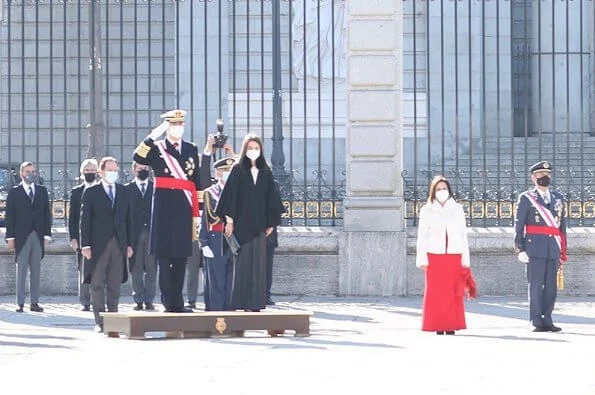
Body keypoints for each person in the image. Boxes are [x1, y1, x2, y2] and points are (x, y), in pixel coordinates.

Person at [133, 109, 211, 313]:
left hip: (184, 207)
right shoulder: (157, 148)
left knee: (180, 258)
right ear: (167, 127)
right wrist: (153, 135)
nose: (178, 128)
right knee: (164, 257)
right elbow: (137, 156)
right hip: (164, 207)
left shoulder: (191, 149)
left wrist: (200, 211)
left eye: (180, 124)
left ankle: (178, 302)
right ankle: (168, 302)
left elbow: (196, 182)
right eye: (173, 124)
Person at [215, 133, 283, 312]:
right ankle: (240, 302)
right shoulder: (238, 170)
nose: (253, 151)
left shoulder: (266, 171)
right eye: (250, 148)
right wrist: (229, 221)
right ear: (245, 149)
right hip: (241, 224)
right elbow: (230, 197)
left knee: (259, 264)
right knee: (243, 264)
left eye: (256, 148)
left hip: (260, 225)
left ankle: (256, 303)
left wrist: (271, 224)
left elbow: (272, 199)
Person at [80, 156, 133, 331]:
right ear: (101, 172)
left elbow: (128, 220)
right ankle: (100, 321)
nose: (113, 173)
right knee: (97, 284)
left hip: (118, 244)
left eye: (115, 170)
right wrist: (85, 245)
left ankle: (113, 319)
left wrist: (129, 244)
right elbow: (85, 221)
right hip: (98, 246)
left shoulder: (124, 191)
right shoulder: (91, 192)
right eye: (109, 170)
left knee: (114, 283)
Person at [416, 175, 474, 335]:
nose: (442, 191)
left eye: (444, 188)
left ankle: (451, 325)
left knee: (453, 292)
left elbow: (463, 234)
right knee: (436, 293)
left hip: (454, 255)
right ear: (433, 191)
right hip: (434, 255)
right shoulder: (427, 209)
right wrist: (422, 258)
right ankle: (437, 325)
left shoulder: (457, 208)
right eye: (439, 189)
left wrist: (465, 260)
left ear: (449, 190)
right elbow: (422, 235)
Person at [514, 160, 567, 332]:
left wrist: (562, 250)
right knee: (535, 285)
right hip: (534, 249)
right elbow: (519, 225)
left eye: (547, 175)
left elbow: (562, 227)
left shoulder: (558, 198)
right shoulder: (527, 198)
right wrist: (520, 248)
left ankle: (548, 319)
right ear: (533, 178)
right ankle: (536, 320)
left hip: (553, 248)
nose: (545, 178)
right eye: (541, 175)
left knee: (551, 286)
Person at [5, 161, 52, 313]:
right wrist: (10, 237)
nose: (30, 174)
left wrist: (47, 235)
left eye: (32, 171)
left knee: (36, 271)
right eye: (27, 172)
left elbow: (47, 215)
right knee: (21, 270)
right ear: (21, 174)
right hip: (21, 236)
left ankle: (34, 302)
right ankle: (20, 303)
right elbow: (10, 216)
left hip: (38, 235)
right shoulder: (14, 192)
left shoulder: (42, 191)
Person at [199, 157, 236, 311]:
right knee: (216, 280)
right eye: (224, 171)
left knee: (231, 279)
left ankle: (229, 311)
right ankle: (215, 313)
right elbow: (206, 218)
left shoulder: (237, 191)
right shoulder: (210, 193)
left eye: (230, 171)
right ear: (217, 173)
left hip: (233, 239)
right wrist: (204, 242)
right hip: (215, 239)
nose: (227, 174)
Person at [68, 158, 99, 312]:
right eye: (87, 171)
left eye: (92, 170)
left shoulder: (102, 190)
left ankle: (99, 299)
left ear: (97, 172)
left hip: (99, 236)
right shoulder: (76, 192)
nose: (90, 173)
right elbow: (72, 217)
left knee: (100, 269)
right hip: (82, 237)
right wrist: (73, 238)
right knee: (83, 269)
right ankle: (85, 301)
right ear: (82, 173)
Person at [125, 162, 157, 311]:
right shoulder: (126, 190)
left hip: (152, 233)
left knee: (151, 268)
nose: (143, 170)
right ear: (133, 169)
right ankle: (138, 298)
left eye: (145, 168)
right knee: (135, 267)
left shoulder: (155, 187)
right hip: (134, 235)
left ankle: (149, 299)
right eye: (139, 168)